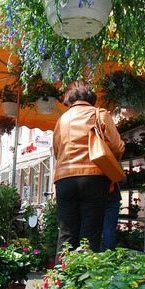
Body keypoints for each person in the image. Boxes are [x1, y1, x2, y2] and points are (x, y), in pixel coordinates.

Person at [52, 82, 124, 255]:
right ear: (91, 99)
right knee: (90, 234)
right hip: (93, 177)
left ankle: (60, 279)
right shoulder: (99, 114)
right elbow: (117, 147)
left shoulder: (61, 120)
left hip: (64, 178)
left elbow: (56, 150)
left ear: (71, 100)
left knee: (66, 234)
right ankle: (85, 280)